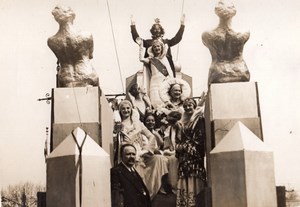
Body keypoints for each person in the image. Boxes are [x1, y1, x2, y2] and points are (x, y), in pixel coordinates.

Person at [117, 100, 168, 199]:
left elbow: (151, 136)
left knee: (159, 158)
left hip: (140, 152)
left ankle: (150, 191)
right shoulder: (119, 124)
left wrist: (146, 149)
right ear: (120, 110)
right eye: (123, 108)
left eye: (128, 108)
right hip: (127, 153)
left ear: (131, 109)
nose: (126, 110)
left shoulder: (138, 123)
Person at [48, 5, 99, 87]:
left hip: (66, 78)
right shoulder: (86, 35)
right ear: (72, 16)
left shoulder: (51, 41)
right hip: (86, 74)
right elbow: (90, 56)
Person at [202, 0, 250, 85]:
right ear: (234, 12)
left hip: (218, 73)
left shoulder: (207, 35)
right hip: (240, 71)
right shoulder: (244, 33)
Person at [175, 98, 207, 207]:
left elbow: (200, 137)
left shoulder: (199, 120)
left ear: (194, 106)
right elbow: (178, 139)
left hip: (194, 158)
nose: (188, 108)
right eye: (185, 107)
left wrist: (184, 146)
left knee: (195, 179)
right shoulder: (182, 123)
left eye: (190, 105)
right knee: (184, 180)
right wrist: (178, 147)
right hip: (183, 159)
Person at [137, 38, 173, 108]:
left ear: (161, 47)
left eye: (158, 46)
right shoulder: (150, 60)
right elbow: (141, 59)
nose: (157, 48)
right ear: (152, 49)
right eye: (154, 47)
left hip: (164, 82)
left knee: (165, 100)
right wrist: (140, 46)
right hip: (154, 83)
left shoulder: (165, 58)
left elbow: (169, 72)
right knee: (155, 101)